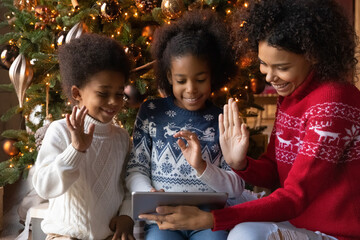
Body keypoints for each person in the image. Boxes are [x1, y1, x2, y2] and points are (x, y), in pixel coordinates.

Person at [138, 0, 360, 239]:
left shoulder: (333, 103)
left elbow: (295, 196)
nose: (270, 76)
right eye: (264, 64)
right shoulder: (291, 96)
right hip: (298, 220)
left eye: (281, 67)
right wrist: (241, 163)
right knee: (242, 229)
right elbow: (274, 172)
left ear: (313, 56)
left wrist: (210, 219)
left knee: (244, 234)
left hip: (335, 232)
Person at [126, 9, 244, 240]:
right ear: (169, 77)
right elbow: (136, 167)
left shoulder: (223, 120)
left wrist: (202, 167)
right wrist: (147, 192)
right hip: (162, 217)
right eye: (181, 80)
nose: (191, 89)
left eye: (200, 79)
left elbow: (236, 187)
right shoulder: (151, 112)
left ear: (213, 76)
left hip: (207, 220)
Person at [32, 33, 135, 240]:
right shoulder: (60, 131)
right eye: (103, 94)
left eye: (119, 94)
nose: (114, 102)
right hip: (65, 235)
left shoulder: (122, 138)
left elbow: (128, 185)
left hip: (108, 235)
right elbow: (44, 187)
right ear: (77, 93)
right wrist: (76, 149)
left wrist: (127, 215)